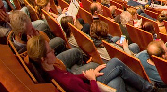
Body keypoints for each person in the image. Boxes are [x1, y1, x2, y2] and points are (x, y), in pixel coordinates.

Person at [27, 34, 159, 92]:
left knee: (116, 71)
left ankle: (148, 88)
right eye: (50, 51)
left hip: (90, 82)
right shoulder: (63, 79)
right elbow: (73, 82)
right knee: (117, 67)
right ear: (43, 58)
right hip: (93, 87)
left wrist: (87, 75)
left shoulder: (51, 70)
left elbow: (72, 77)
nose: (54, 51)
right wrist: (92, 80)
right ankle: (149, 88)